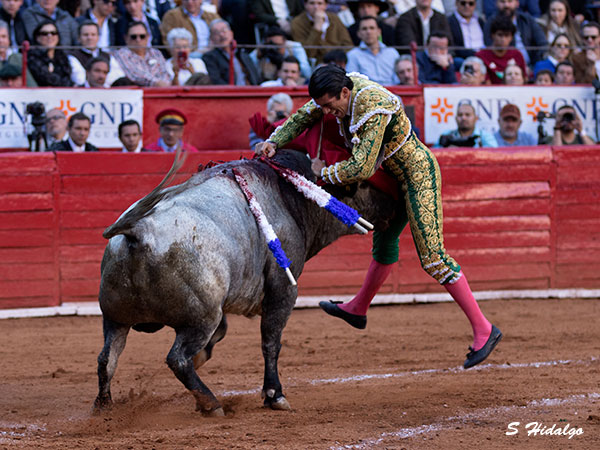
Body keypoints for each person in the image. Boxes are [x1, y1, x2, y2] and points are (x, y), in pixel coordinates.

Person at [256, 65, 502, 369]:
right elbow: (305, 115)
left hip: (417, 176)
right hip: (392, 179)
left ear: (344, 93)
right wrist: (276, 140)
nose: (327, 112)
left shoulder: (373, 105)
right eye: (323, 106)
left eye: (330, 105)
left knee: (433, 258)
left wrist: (323, 173)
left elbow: (361, 167)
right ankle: (358, 308)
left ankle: (485, 329)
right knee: (384, 246)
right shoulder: (337, 90)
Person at [483, 0, 547, 66]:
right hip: (504, 66)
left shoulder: (527, 19)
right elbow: (489, 46)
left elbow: (542, 43)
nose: (506, 5)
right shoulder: (491, 22)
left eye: (510, 1)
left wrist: (537, 64)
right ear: (496, 4)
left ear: (517, 3)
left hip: (532, 65)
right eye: (502, 2)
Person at [202, 19, 261, 85]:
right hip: (228, 91)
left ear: (231, 33)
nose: (221, 35)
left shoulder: (242, 54)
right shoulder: (210, 57)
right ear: (211, 38)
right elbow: (216, 81)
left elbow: (256, 78)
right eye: (216, 33)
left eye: (224, 30)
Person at [112, 21, 171, 86]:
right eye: (133, 37)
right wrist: (157, 83)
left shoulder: (156, 53)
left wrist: (165, 84)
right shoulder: (122, 54)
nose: (138, 40)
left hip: (163, 89)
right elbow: (134, 75)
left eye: (142, 36)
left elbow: (164, 73)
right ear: (126, 38)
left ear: (148, 37)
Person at [345, 16, 400, 85]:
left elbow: (398, 80)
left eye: (372, 28)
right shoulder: (352, 55)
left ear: (379, 32)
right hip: (366, 91)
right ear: (359, 34)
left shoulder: (392, 53)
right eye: (364, 29)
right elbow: (352, 81)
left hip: (393, 91)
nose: (368, 32)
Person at [68, 21, 123, 87]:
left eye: (93, 34)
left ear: (98, 37)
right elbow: (79, 79)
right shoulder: (72, 57)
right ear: (79, 38)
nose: (89, 38)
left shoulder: (108, 56)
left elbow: (118, 77)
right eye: (86, 35)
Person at [475, 14, 526, 85]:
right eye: (500, 35)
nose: (503, 39)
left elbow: (524, 79)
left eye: (507, 35)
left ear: (512, 37)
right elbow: (485, 83)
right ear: (492, 35)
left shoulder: (517, 54)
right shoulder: (481, 55)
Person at [27, 20, 73, 86]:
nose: (49, 36)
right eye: (44, 33)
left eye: (53, 33)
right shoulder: (32, 57)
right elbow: (46, 79)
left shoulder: (63, 57)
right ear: (37, 37)